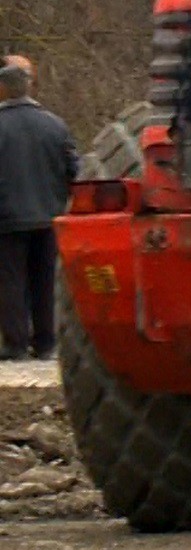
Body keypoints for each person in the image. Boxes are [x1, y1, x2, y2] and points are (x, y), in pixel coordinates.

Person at [0, 56, 79, 360]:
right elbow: (74, 169)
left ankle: (15, 344)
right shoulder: (55, 125)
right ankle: (46, 342)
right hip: (48, 215)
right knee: (44, 280)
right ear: (29, 88)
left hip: (7, 219)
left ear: (4, 89)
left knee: (11, 281)